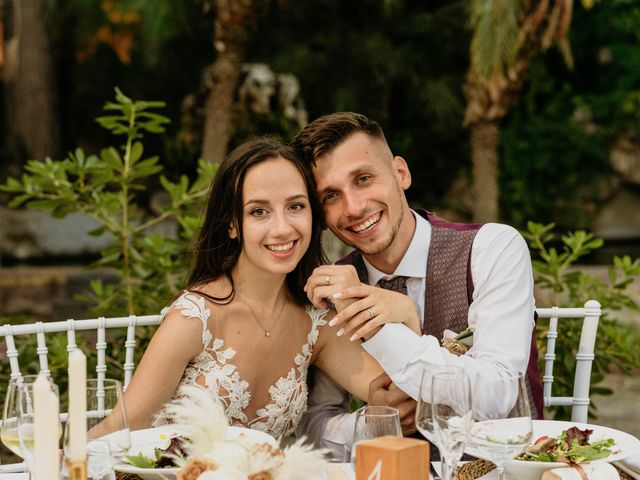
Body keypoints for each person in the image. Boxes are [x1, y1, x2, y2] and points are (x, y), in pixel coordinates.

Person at [292, 112, 543, 457]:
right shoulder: (336, 289)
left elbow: (499, 397)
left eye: (363, 179)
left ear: (401, 173)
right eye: (331, 196)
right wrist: (374, 421)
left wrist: (379, 328)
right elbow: (313, 425)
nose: (354, 207)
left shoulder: (491, 248)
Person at [121, 138, 384, 440]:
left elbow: (394, 396)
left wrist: (394, 307)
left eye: (295, 206)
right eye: (259, 212)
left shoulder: (317, 321)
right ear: (232, 223)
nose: (283, 228)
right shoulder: (196, 317)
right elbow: (122, 428)